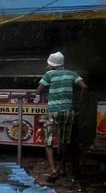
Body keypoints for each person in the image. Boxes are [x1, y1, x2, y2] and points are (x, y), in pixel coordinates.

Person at [36, 51, 87, 182]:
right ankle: (61, 168)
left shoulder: (49, 74)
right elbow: (83, 86)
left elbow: (39, 90)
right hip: (68, 112)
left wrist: (47, 91)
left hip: (53, 111)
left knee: (49, 141)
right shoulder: (72, 73)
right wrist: (78, 104)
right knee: (64, 140)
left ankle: (53, 170)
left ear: (51, 64)